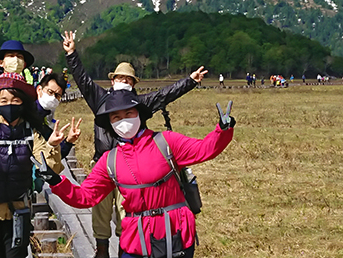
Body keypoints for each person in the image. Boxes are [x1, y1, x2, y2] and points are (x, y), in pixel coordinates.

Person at [36, 90, 235, 258]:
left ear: (139, 114)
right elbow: (86, 196)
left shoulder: (167, 142)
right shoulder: (109, 160)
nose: (123, 120)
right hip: (136, 239)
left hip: (176, 232)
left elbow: (204, 149)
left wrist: (223, 130)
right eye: (116, 117)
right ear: (110, 124)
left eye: (128, 113)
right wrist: (56, 181)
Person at [61, 31, 208, 258]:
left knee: (125, 211)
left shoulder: (140, 103)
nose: (124, 82)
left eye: (128, 80)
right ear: (112, 80)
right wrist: (71, 54)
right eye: (120, 79)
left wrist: (189, 82)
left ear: (133, 83)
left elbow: (164, 95)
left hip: (131, 168)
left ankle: (126, 246)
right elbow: (83, 81)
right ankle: (101, 248)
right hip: (104, 162)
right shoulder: (100, 99)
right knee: (100, 207)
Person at [0, 72, 69, 258]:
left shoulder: (30, 131)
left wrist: (53, 145)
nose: (9, 105)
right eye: (4, 100)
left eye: (15, 101)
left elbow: (51, 168)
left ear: (23, 102)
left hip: (18, 211)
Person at [35, 72, 81, 158]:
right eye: (50, 92)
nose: (53, 97)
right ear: (39, 90)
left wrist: (68, 141)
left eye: (57, 95)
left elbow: (55, 156)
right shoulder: (29, 114)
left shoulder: (44, 120)